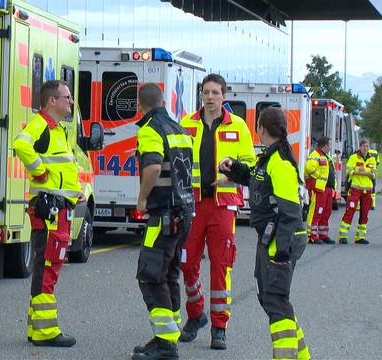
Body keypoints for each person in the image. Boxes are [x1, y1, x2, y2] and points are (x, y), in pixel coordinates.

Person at [218, 107, 310, 360]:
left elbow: (291, 211)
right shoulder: (269, 157)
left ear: (260, 128)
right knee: (271, 299)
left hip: (280, 238)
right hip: (271, 237)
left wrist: (281, 252)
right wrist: (234, 169)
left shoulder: (279, 162)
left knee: (276, 301)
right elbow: (257, 180)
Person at [178, 74, 256, 349]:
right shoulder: (187, 123)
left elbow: (249, 165)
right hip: (193, 203)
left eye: (215, 92)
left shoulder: (238, 126)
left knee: (221, 266)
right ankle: (196, 312)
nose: (210, 97)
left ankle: (219, 327)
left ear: (224, 96)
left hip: (223, 206)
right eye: (206, 92)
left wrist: (231, 170)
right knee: (187, 263)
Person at [12, 80, 83, 347]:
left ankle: (36, 327)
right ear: (51, 101)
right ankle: (45, 332)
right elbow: (21, 144)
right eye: (66, 97)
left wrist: (70, 190)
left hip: (57, 204)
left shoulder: (56, 130)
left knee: (48, 264)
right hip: (49, 207)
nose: (70, 102)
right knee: (48, 265)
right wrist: (39, 171)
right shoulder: (40, 124)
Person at [131, 83, 194, 360]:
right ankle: (169, 335)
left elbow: (154, 165)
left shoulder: (149, 129)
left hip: (164, 214)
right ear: (164, 101)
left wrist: (142, 198)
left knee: (150, 274)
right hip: (184, 213)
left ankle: (165, 343)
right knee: (169, 273)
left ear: (139, 105)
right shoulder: (179, 129)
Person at [338, 140, 376, 245]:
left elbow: (374, 174)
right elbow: (349, 171)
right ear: (360, 146)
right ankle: (343, 236)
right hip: (355, 189)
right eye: (364, 146)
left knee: (365, 213)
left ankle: (360, 237)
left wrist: (362, 172)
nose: (365, 148)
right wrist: (361, 172)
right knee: (350, 211)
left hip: (367, 191)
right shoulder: (354, 157)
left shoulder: (372, 159)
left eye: (367, 146)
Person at [304, 136, 335, 245]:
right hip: (319, 188)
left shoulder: (325, 156)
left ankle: (323, 235)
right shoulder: (315, 155)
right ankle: (312, 236)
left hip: (327, 189)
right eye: (329, 144)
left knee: (326, 212)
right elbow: (309, 167)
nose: (330, 147)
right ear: (325, 145)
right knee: (316, 212)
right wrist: (318, 177)